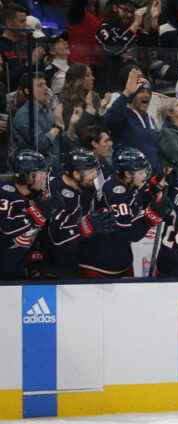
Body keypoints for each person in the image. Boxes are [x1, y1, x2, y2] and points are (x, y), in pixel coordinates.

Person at [78, 147, 168, 278]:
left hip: (119, 259)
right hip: (100, 265)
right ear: (127, 174)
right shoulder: (116, 192)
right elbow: (127, 234)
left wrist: (153, 188)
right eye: (141, 172)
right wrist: (152, 216)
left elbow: (136, 200)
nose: (145, 176)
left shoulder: (126, 183)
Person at [42, 148, 116, 278]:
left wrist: (102, 210)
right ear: (76, 174)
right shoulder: (55, 192)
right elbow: (56, 237)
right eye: (91, 171)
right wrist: (84, 227)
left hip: (77, 254)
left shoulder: (86, 185)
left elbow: (96, 205)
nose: (95, 175)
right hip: (52, 262)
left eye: (96, 170)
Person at [0, 150, 54, 279]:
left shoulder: (37, 196)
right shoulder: (4, 193)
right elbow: (7, 227)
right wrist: (36, 213)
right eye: (41, 172)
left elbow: (40, 236)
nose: (45, 176)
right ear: (27, 176)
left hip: (19, 270)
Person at [96, 0, 161, 90]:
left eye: (132, 11)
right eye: (126, 10)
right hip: (114, 84)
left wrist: (154, 20)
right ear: (115, 8)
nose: (130, 15)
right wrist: (136, 23)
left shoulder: (132, 29)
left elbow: (153, 44)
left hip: (139, 81)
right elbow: (116, 48)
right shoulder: (104, 28)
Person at [104, 68, 160, 171]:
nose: (146, 95)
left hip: (152, 177)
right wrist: (126, 93)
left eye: (148, 92)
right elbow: (109, 119)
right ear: (132, 95)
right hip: (129, 176)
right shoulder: (124, 114)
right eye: (141, 92)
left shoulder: (150, 119)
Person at [12, 72, 67, 171]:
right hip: (36, 172)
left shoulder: (49, 111)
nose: (45, 88)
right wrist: (57, 127)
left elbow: (61, 141)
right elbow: (40, 144)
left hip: (54, 169)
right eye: (40, 85)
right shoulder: (24, 115)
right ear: (28, 91)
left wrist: (69, 124)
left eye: (45, 84)